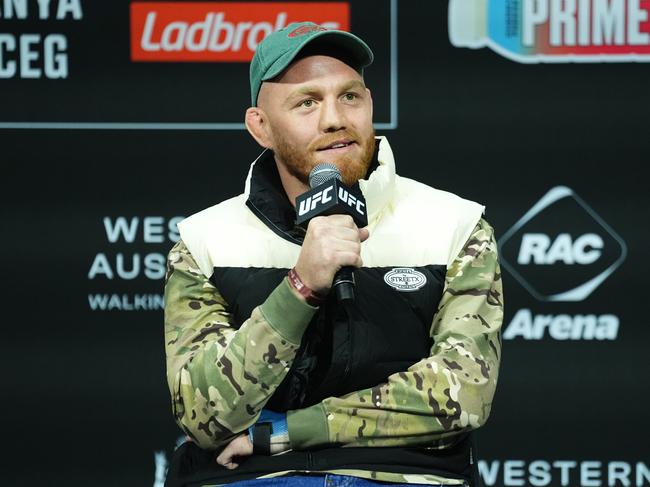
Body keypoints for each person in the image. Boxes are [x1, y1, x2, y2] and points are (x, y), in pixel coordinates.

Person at [163, 21, 503, 487]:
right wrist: (298, 288)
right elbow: (204, 416)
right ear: (260, 127)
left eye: (350, 96)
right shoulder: (206, 239)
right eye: (306, 102)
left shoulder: (455, 224)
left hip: (404, 476)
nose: (334, 119)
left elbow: (464, 394)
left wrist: (288, 431)